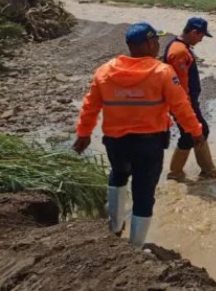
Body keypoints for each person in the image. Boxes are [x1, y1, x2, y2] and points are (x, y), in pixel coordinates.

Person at [72, 22, 204, 248]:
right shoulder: (162, 72)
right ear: (150, 43)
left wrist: (83, 134)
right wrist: (196, 132)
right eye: (157, 41)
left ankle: (115, 226)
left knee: (118, 175)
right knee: (144, 193)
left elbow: (90, 107)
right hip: (148, 144)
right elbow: (181, 106)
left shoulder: (105, 71)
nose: (159, 45)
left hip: (116, 143)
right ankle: (134, 247)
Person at [163, 17, 216, 180]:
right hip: (183, 103)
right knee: (192, 134)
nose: (201, 40)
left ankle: (206, 169)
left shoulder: (180, 47)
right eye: (201, 36)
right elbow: (180, 85)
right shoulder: (179, 52)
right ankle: (176, 173)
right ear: (194, 32)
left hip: (185, 102)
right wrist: (187, 108)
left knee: (200, 131)